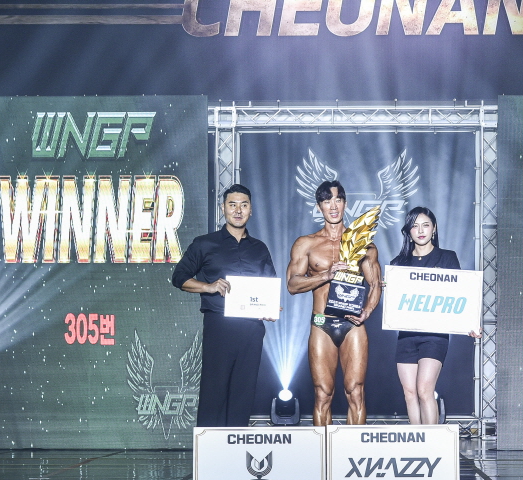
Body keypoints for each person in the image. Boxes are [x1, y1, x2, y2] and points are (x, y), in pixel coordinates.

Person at [171, 184, 277, 427]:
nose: (238, 210)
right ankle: (209, 447)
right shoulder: (204, 244)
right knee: (214, 389)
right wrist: (208, 287)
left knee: (244, 391)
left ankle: (235, 445)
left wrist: (270, 308)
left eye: (244, 205)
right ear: (223, 209)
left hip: (252, 328)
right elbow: (179, 277)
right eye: (232, 205)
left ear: (251, 210)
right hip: (219, 326)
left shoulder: (259, 248)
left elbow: (270, 285)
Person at [286, 180, 382, 425]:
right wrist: (326, 275)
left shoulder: (364, 244)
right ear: (319, 206)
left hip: (353, 324)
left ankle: (353, 448)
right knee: (323, 394)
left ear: (345, 203)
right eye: (327, 201)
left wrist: (368, 311)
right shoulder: (306, 244)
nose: (333, 206)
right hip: (321, 323)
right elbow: (292, 285)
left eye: (338, 199)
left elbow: (376, 284)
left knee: (356, 392)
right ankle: (323, 449)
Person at [388, 207, 475, 425]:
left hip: (435, 335)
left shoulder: (447, 258)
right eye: (415, 226)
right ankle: (417, 439)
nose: (420, 230)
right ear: (408, 231)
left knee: (424, 389)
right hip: (406, 335)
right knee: (409, 393)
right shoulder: (398, 263)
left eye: (425, 225)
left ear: (434, 228)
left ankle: (432, 440)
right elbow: (394, 301)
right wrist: (386, 288)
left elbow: (461, 294)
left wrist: (471, 323)